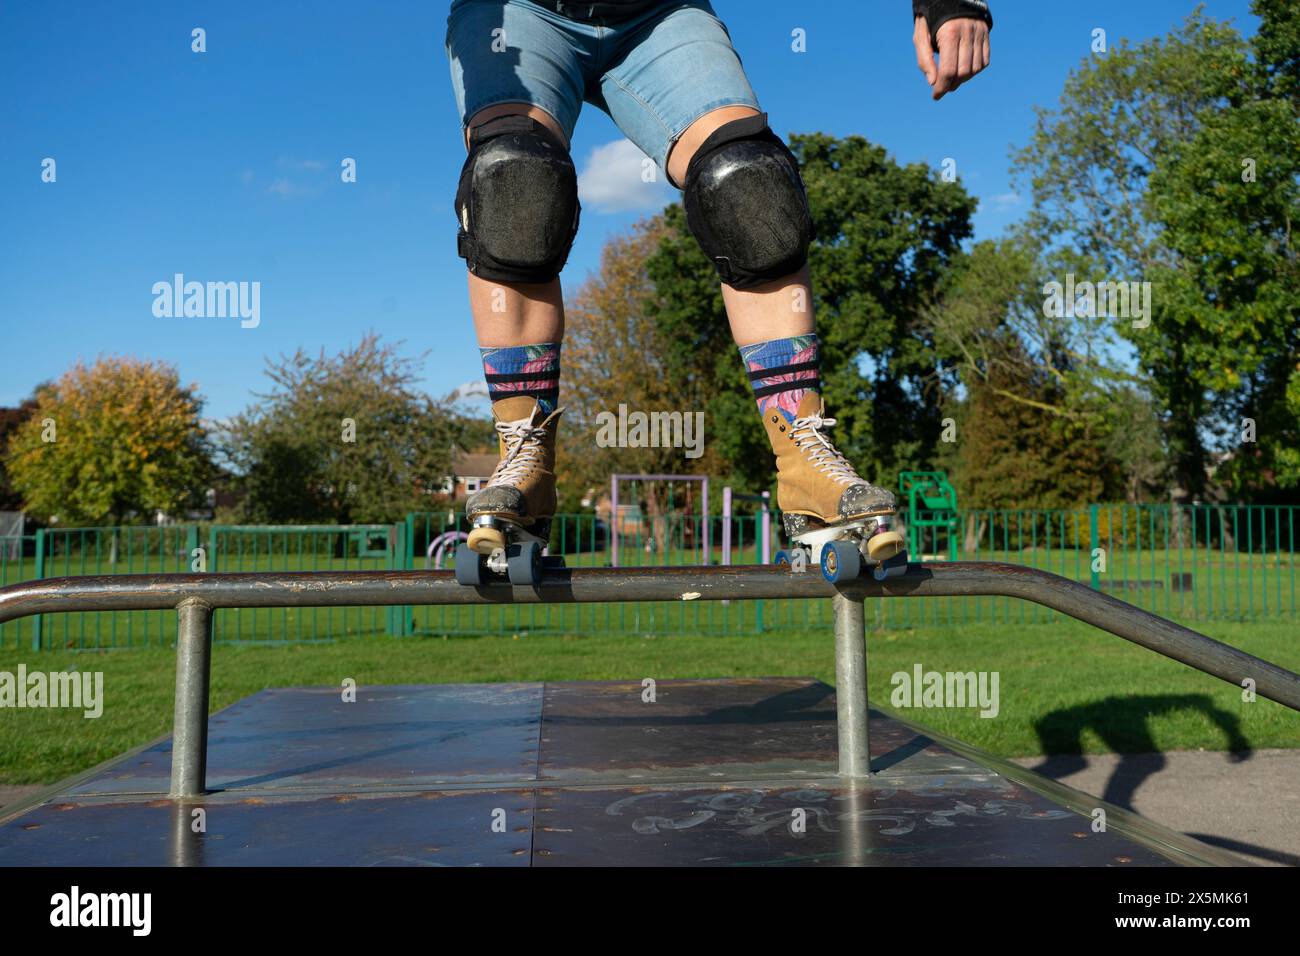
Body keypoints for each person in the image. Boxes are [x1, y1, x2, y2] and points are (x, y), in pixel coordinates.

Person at [445, 0, 993, 565]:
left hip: (658, 14)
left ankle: (806, 462)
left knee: (748, 181)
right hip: (517, 13)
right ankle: (525, 458)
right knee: (514, 180)